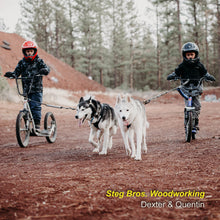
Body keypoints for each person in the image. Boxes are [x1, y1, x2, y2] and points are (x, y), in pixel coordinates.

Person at [167, 42, 215, 131]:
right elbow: (176, 72)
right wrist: (173, 76)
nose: (190, 57)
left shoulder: (199, 65)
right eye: (188, 54)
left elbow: (205, 73)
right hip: (186, 89)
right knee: (188, 105)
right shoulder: (182, 66)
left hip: (196, 88)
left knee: (197, 106)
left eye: (192, 54)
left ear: (195, 54)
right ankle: (187, 121)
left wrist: (208, 77)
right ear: (184, 55)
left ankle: (195, 122)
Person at [4, 40, 50, 130]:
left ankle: (36, 125)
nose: (29, 53)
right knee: (26, 107)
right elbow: (17, 72)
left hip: (37, 89)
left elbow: (46, 68)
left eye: (31, 51)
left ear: (34, 51)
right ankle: (27, 125)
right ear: (24, 52)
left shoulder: (39, 61)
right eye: (27, 51)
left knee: (35, 106)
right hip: (26, 89)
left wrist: (44, 70)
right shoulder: (22, 62)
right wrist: (12, 74)